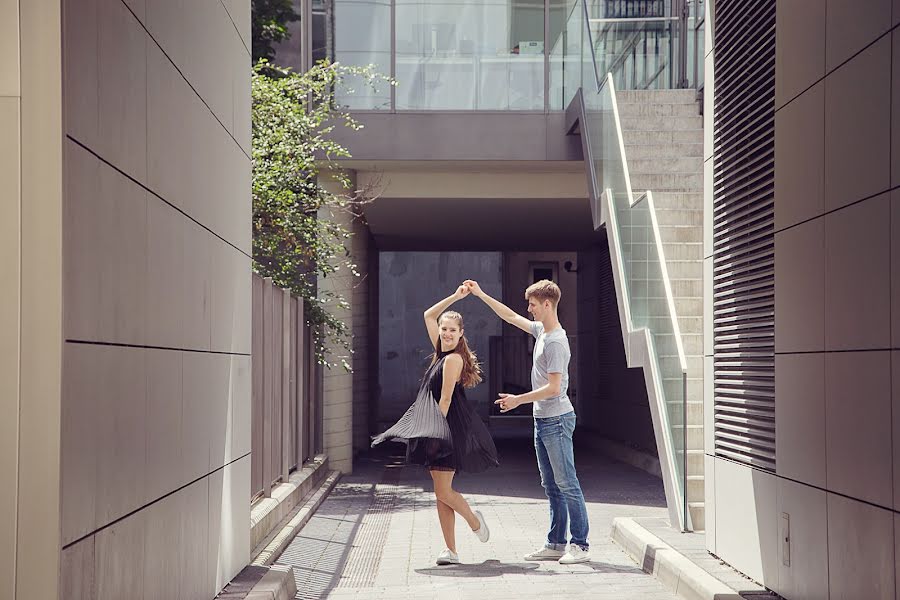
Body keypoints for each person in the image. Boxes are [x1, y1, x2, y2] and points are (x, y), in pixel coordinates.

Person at [371, 284, 499, 566]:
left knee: (443, 491)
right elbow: (429, 315)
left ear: (461, 333)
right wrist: (456, 296)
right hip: (438, 428)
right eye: (444, 329)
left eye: (453, 329)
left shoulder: (453, 359)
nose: (446, 333)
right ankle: (451, 551)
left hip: (446, 429)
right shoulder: (441, 352)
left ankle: (475, 521)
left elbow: (445, 400)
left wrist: (433, 434)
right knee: (441, 493)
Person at [465, 278, 590, 565]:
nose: (529, 309)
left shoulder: (556, 341)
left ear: (547, 304)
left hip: (557, 420)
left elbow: (555, 388)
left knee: (567, 483)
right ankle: (556, 544)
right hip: (543, 419)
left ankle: (580, 545)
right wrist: (481, 293)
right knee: (551, 485)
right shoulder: (541, 332)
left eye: (533, 304)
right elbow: (509, 316)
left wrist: (518, 400)